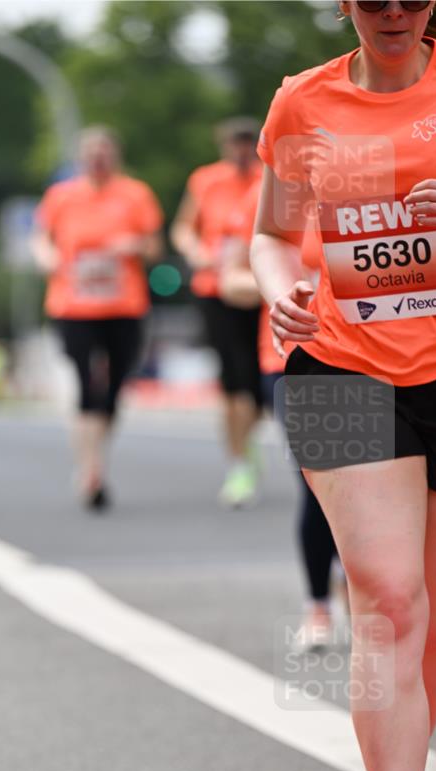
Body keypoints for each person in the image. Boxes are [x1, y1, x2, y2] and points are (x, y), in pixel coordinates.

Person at [251, 0, 436, 771]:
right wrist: (279, 295)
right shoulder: (301, 103)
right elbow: (270, 234)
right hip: (338, 369)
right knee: (386, 599)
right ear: (344, 2)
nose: (392, 11)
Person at [221, 192, 345, 650]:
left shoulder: (371, 187)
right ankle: (319, 606)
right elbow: (230, 280)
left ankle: (361, 588)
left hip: (370, 360)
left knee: (372, 483)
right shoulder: (276, 201)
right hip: (296, 359)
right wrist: (283, 287)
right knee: (318, 483)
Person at [31, 126, 164, 509]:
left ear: (115, 156)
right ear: (80, 158)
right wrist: (47, 257)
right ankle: (92, 469)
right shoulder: (61, 196)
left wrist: (135, 245)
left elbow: (156, 247)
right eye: (90, 152)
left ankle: (93, 455)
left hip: (124, 305)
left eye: (104, 151)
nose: (97, 158)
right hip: (73, 305)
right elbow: (41, 237)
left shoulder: (135, 194)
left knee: (114, 388)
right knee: (87, 382)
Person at [172, 118, 263, 507]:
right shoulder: (206, 180)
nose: (241, 151)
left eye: (249, 144)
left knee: (260, 385)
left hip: (261, 291)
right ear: (224, 146)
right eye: (235, 144)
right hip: (215, 290)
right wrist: (195, 251)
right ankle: (239, 463)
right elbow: (183, 228)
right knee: (233, 380)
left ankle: (245, 438)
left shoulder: (270, 179)